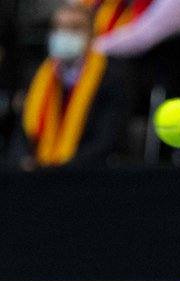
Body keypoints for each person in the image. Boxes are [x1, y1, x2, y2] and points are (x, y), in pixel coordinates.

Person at [9, 2, 130, 168]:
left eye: (75, 28)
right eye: (59, 28)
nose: (64, 34)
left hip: (86, 172)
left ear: (91, 35)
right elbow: (22, 132)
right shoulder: (38, 75)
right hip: (38, 170)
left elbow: (107, 138)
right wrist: (24, 160)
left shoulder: (112, 77)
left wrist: (63, 169)